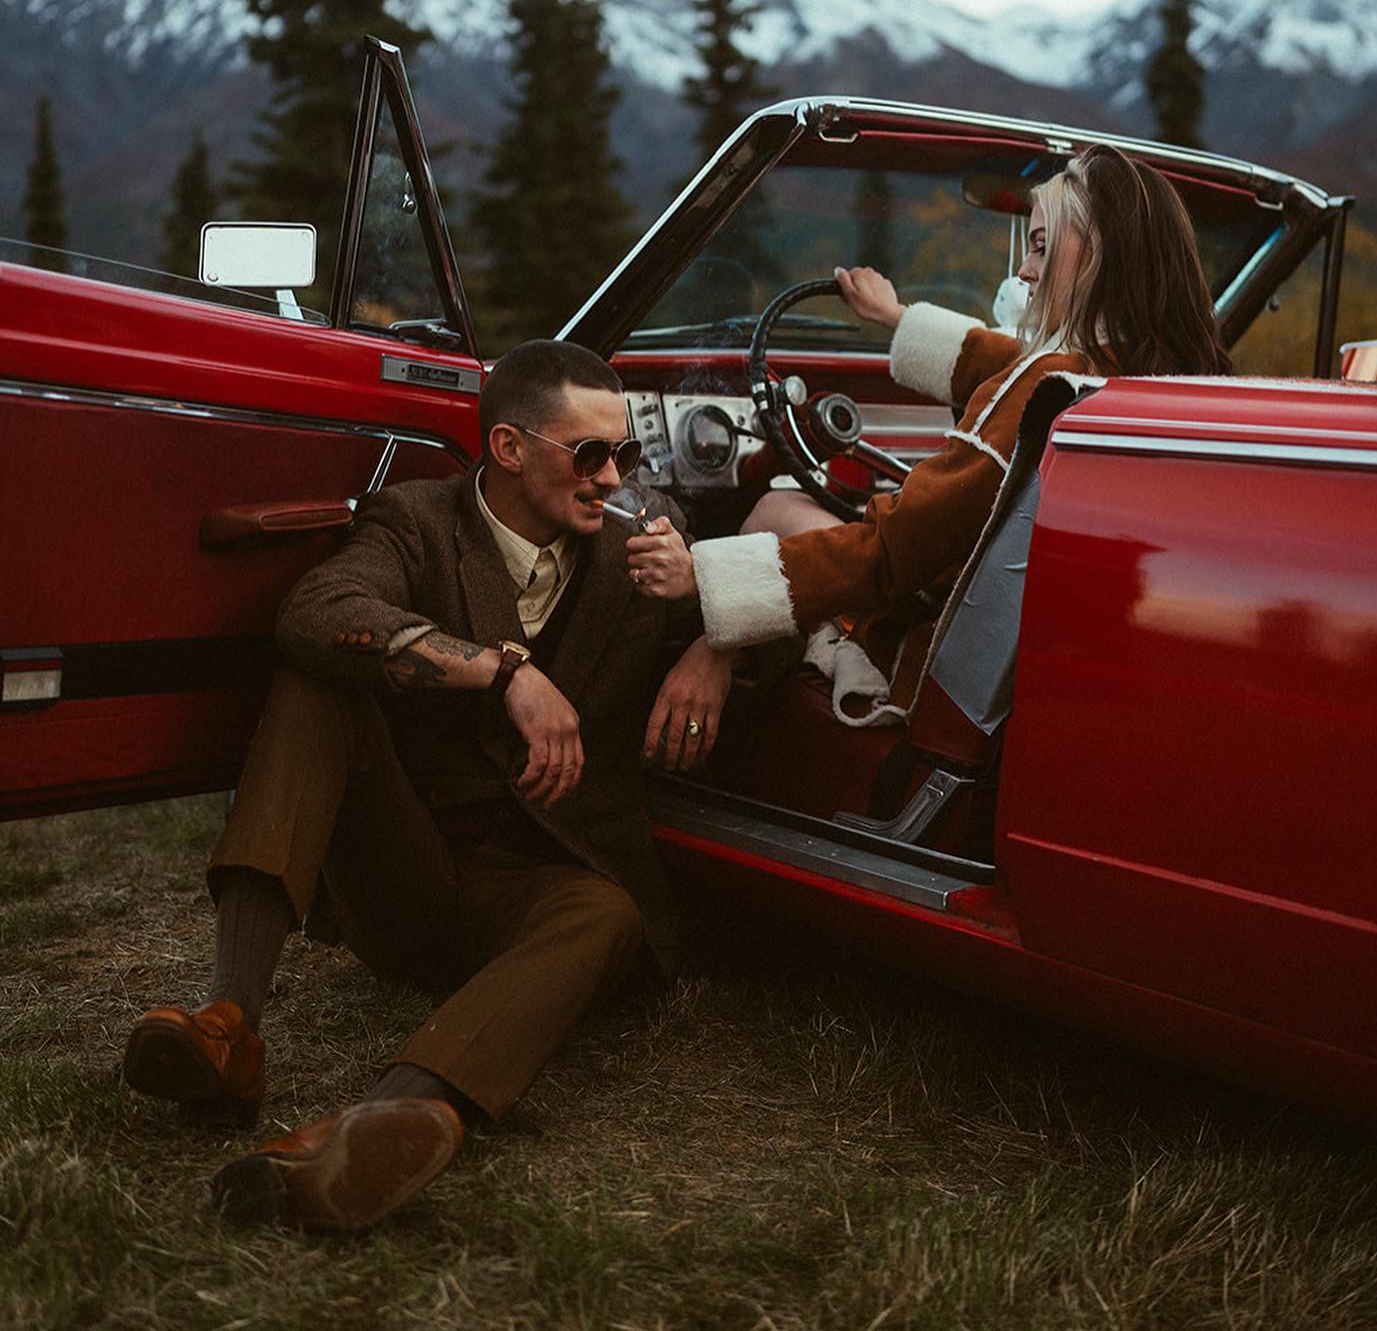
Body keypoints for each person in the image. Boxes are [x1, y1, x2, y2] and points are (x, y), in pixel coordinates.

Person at [122, 340, 727, 1232]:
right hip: (406, 872)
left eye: (626, 454)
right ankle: (229, 1024)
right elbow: (317, 614)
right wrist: (505, 672)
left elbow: (789, 612)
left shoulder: (643, 549)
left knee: (610, 915)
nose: (611, 477)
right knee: (317, 683)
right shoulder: (416, 518)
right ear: (511, 448)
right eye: (588, 453)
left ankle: (385, 1121)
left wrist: (717, 636)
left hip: (541, 880)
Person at [626, 146, 1231, 693]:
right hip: (1050, 655)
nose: (1024, 272)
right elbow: (1014, 365)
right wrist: (896, 319)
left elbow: (891, 554)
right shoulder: (1160, 383)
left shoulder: (1040, 389)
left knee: (773, 511)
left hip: (930, 646)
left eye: (1042, 245)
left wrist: (705, 582)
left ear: (1099, 255)